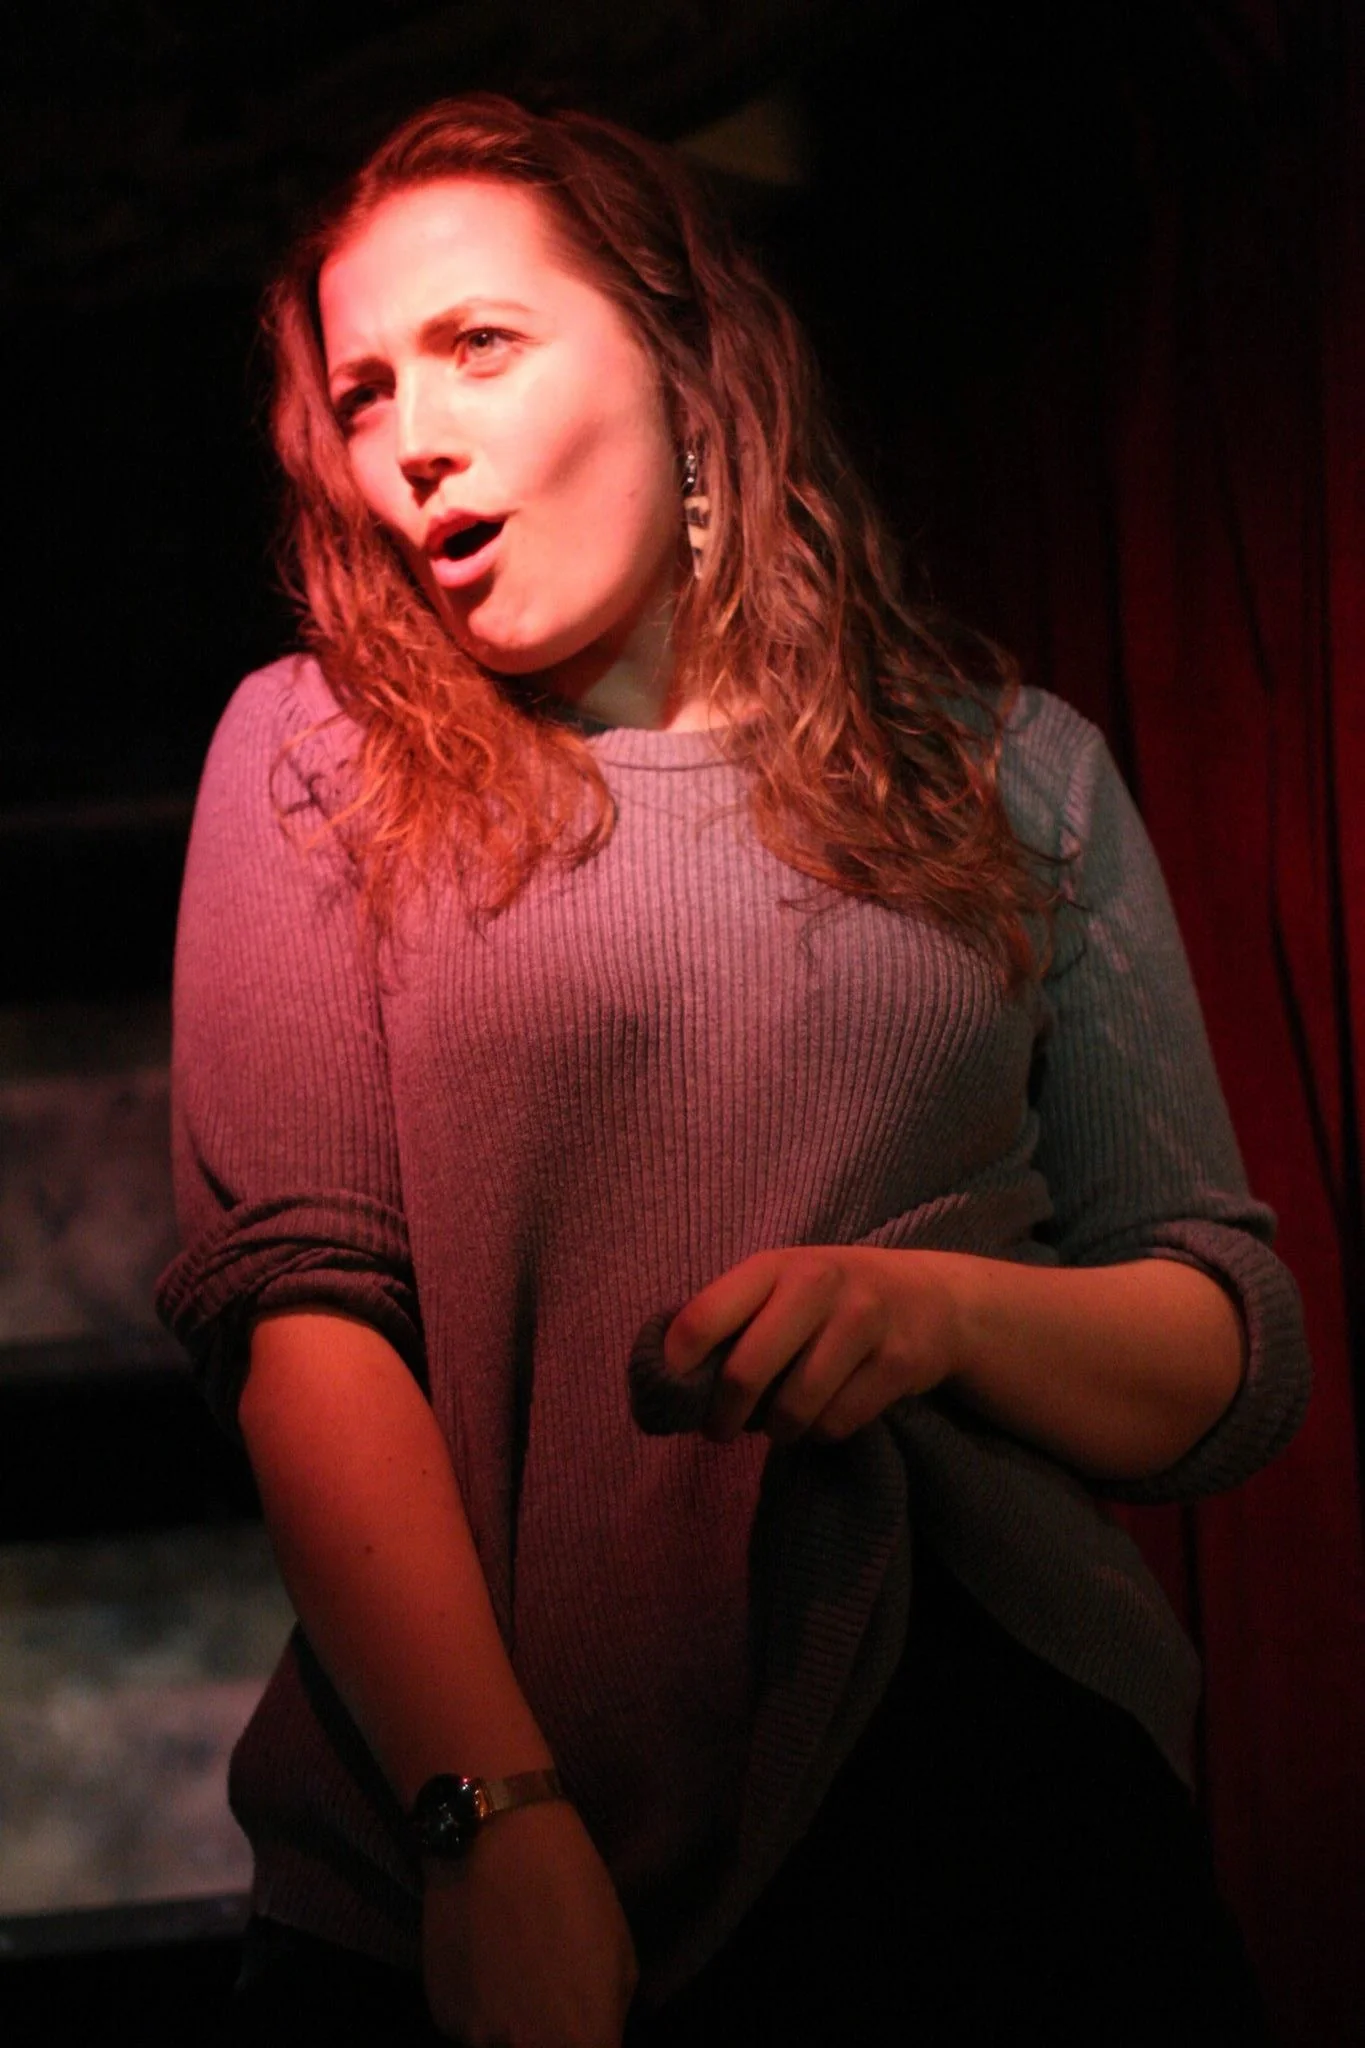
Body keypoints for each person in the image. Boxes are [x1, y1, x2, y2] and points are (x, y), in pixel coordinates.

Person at [156, 92, 1310, 2048]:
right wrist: (487, 1815)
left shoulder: (1011, 769)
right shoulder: (314, 758)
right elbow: (306, 1329)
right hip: (493, 1819)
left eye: (478, 345)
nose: (409, 433)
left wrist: (938, 1312)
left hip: (991, 1798)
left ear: (686, 371)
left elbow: (1225, 1341)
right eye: (361, 392)